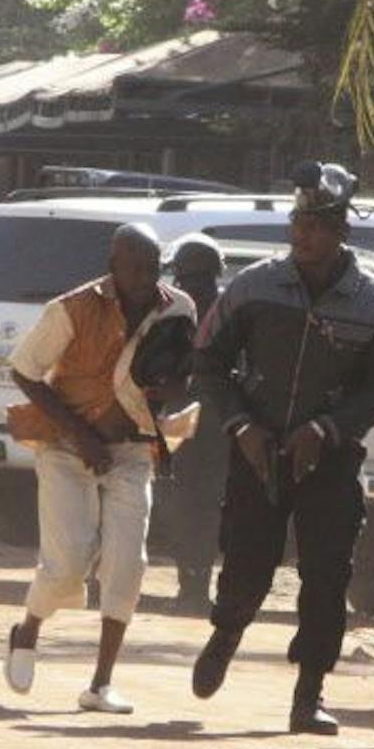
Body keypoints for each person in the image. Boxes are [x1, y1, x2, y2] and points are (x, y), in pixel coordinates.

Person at [189, 162, 374, 735]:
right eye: (297, 222)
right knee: (247, 564)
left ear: (341, 230)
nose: (302, 234)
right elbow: (207, 361)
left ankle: (309, 693)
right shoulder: (253, 286)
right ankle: (227, 632)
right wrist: (241, 425)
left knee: (326, 575)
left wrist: (329, 429)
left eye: (315, 225)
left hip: (330, 462)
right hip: (257, 452)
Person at [2, 224, 196, 714]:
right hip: (67, 450)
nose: (146, 279)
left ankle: (100, 684)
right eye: (136, 269)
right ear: (114, 267)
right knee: (68, 562)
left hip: (133, 451)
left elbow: (180, 375)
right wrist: (79, 435)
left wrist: (170, 390)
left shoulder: (178, 309)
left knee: (128, 564)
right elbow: (24, 370)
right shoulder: (72, 309)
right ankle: (27, 631)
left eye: (154, 269)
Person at [150, 235, 230, 613]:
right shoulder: (229, 309)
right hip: (219, 423)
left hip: (179, 419)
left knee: (181, 502)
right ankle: (196, 587)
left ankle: (191, 587)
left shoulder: (173, 308)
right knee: (207, 505)